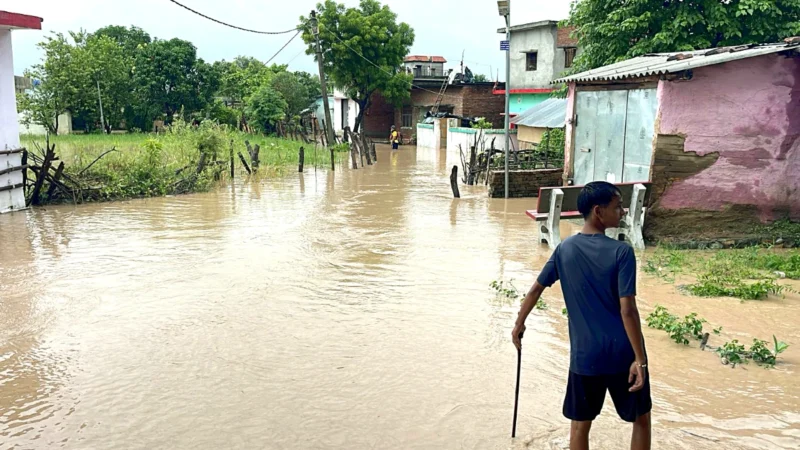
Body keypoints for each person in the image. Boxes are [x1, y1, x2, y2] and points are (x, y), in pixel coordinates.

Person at [512, 181, 651, 450]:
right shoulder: (622, 252)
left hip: (585, 357)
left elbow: (535, 289)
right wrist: (640, 360)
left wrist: (519, 324)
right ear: (598, 211)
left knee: (579, 426)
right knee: (640, 419)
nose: (622, 212)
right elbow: (628, 310)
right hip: (623, 354)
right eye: (617, 207)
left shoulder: (565, 249)